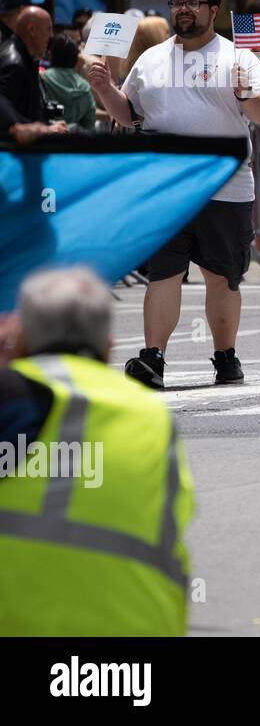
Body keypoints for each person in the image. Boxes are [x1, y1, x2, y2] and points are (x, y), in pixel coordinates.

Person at [87, 0, 260, 388]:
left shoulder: (239, 58)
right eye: (178, 2)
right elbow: (128, 115)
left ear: (213, 10)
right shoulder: (151, 58)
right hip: (166, 189)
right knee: (163, 273)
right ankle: (152, 357)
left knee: (221, 277)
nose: (184, 9)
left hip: (224, 188)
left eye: (193, 2)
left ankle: (225, 355)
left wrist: (246, 94)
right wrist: (105, 90)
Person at [0, 267, 194, 635]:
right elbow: (177, 514)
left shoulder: (13, 397)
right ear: (108, 346)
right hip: (134, 636)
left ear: (20, 340)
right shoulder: (151, 414)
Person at [0, 6, 55, 125]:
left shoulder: (28, 59)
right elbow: (6, 120)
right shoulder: (14, 65)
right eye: (48, 29)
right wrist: (43, 130)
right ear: (32, 30)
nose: (51, 36)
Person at [39, 33, 97, 131]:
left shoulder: (41, 79)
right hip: (75, 143)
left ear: (50, 55)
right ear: (76, 58)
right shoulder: (85, 87)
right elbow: (90, 126)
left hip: (44, 140)